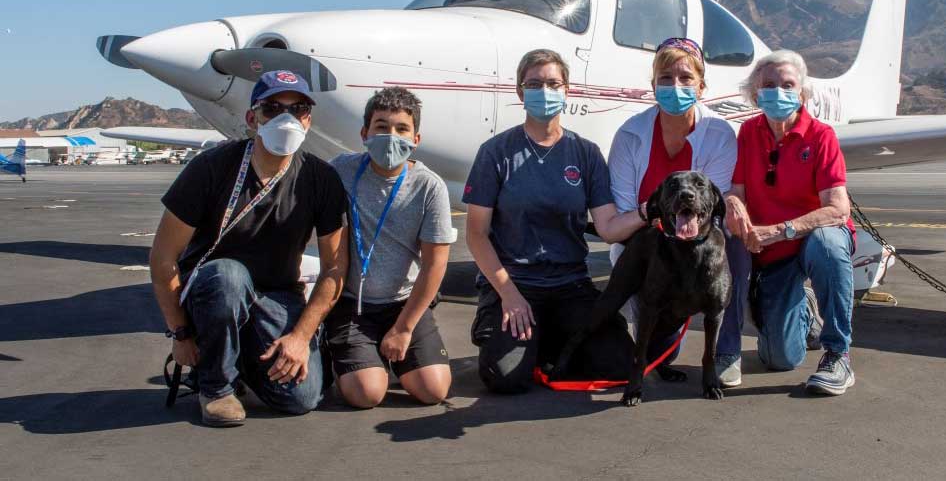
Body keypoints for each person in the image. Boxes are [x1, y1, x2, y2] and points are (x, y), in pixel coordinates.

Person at [149, 70, 349, 426]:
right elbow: (163, 257)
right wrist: (180, 333)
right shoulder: (211, 168)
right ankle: (216, 387)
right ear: (252, 118)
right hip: (215, 289)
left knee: (301, 398)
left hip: (277, 294)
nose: (286, 118)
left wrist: (301, 337)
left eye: (298, 108)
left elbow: (334, 266)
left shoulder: (320, 178)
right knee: (229, 276)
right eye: (272, 108)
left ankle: (239, 360)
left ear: (309, 119)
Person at [464, 49, 646, 393]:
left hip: (569, 285)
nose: (544, 91)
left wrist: (647, 212)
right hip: (515, 283)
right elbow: (476, 234)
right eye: (534, 84)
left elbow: (607, 228)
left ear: (567, 90)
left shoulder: (586, 153)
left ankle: (545, 340)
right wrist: (509, 294)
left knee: (621, 364)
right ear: (520, 93)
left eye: (552, 83)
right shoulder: (496, 152)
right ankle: (509, 334)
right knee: (505, 378)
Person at [607, 37, 750, 388]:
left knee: (732, 243)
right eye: (666, 78)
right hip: (650, 247)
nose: (675, 86)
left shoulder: (719, 134)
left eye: (686, 78)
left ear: (701, 87)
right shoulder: (629, 136)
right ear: (653, 85)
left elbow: (711, 211)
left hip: (696, 249)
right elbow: (625, 213)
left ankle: (726, 352)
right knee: (657, 354)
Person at [726, 49, 857, 395]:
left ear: (801, 92)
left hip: (811, 239)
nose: (778, 91)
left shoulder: (821, 136)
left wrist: (781, 230)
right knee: (780, 358)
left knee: (827, 244)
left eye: (787, 84)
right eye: (769, 85)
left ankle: (837, 353)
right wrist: (736, 206)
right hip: (774, 255)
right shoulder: (747, 134)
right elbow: (736, 190)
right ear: (756, 94)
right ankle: (808, 309)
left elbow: (838, 209)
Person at [325, 87, 455, 408]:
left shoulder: (429, 186)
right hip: (353, 305)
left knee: (433, 391)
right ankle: (352, 358)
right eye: (381, 127)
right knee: (366, 394)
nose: (391, 136)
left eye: (401, 129)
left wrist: (403, 329)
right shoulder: (340, 171)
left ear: (416, 139)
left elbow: (434, 264)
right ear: (364, 133)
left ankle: (388, 353)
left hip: (403, 305)